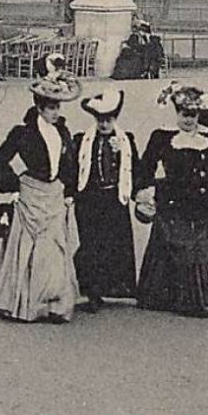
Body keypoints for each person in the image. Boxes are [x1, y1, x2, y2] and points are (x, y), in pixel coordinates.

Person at [0, 73, 84, 323]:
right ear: (39, 108)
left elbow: (69, 163)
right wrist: (14, 187)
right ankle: (27, 305)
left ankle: (54, 305)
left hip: (54, 195)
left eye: (57, 107)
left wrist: (69, 190)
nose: (55, 112)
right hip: (31, 194)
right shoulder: (22, 133)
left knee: (54, 248)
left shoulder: (62, 131)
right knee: (28, 248)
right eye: (50, 107)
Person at [135, 84, 208, 316]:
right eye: (184, 115)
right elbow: (146, 166)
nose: (188, 120)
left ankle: (197, 299)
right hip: (174, 200)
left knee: (201, 248)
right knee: (176, 246)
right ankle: (169, 297)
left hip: (203, 200)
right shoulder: (162, 136)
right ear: (176, 113)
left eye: (193, 115)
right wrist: (144, 190)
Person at [70, 90, 140, 312]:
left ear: (115, 120)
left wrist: (138, 193)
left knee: (114, 244)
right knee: (90, 244)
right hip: (89, 199)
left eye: (108, 120)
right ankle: (91, 291)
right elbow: (73, 168)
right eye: (100, 120)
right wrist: (71, 193)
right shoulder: (83, 140)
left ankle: (112, 288)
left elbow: (134, 169)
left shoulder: (125, 141)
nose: (104, 124)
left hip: (114, 198)